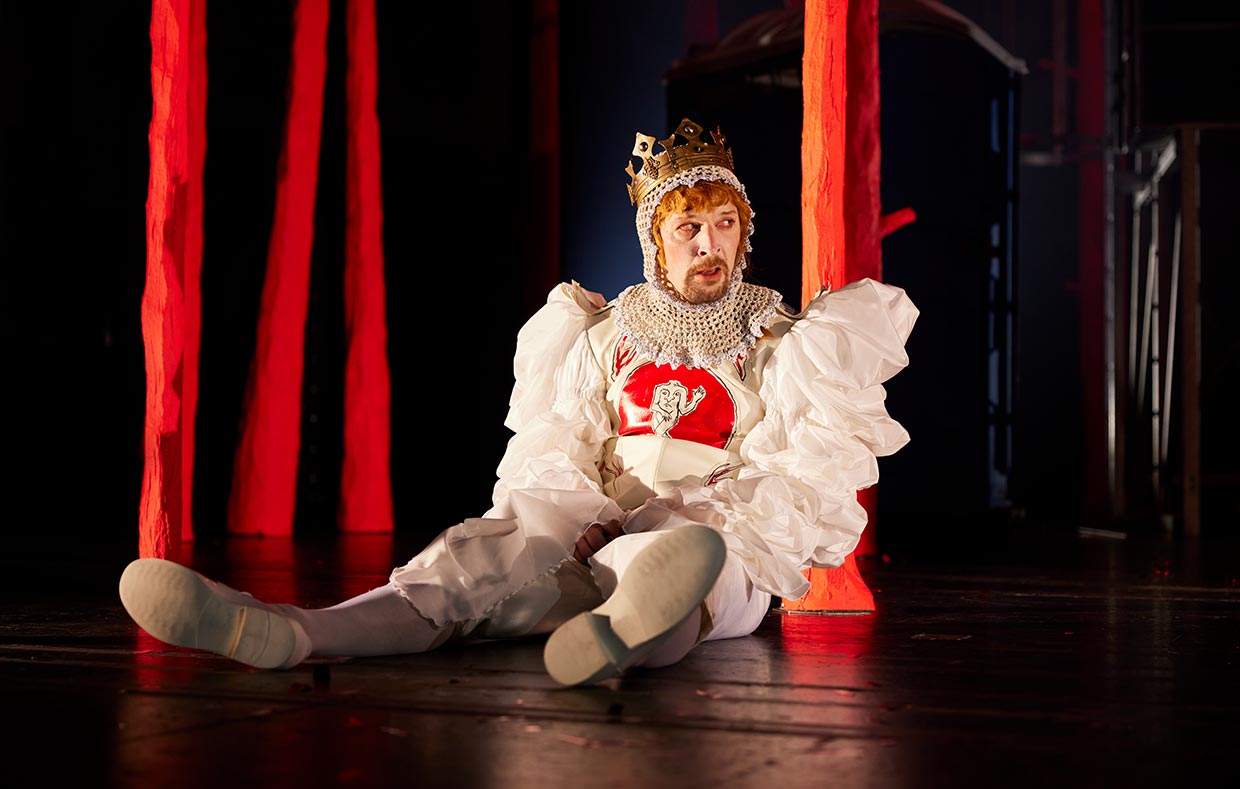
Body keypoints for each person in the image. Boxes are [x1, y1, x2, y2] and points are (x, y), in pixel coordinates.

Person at [119, 117, 919, 687]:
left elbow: (784, 481)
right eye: (689, 230)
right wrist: (577, 522)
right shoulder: (602, 332)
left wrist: (650, 523)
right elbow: (559, 449)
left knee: (683, 560)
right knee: (486, 555)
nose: (709, 245)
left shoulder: (787, 339)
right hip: (596, 524)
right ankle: (297, 629)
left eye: (724, 225)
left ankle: (619, 631)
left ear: (744, 232)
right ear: (656, 241)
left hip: (723, 533)